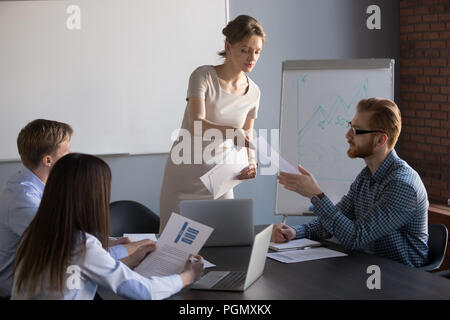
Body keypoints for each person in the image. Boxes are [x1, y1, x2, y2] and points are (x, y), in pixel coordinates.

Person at [11, 153, 204, 299]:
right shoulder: (80, 244)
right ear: (92, 196)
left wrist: (130, 260)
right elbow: (144, 291)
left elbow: (79, 272)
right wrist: (187, 276)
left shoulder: (35, 233)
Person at [273, 98, 429, 268]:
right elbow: (336, 218)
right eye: (350, 126)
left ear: (380, 140)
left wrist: (315, 194)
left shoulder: (402, 185)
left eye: (357, 130)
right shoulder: (365, 176)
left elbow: (355, 237)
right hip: (372, 268)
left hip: (403, 279)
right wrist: (295, 232)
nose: (348, 135)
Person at [0, 119, 139, 298]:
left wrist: (109, 241)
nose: (71, 154)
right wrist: (130, 250)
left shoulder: (37, 184)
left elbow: (72, 237)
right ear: (48, 160)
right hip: (20, 289)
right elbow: (68, 250)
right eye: (67, 150)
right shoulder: (23, 200)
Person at [159, 15, 265, 232]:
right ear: (228, 46)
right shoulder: (202, 76)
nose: (251, 57)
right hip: (185, 176)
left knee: (225, 239)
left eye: (257, 51)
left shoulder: (254, 91)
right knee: (175, 245)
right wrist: (232, 132)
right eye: (245, 49)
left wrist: (251, 162)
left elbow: (247, 134)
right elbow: (197, 124)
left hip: (222, 178)